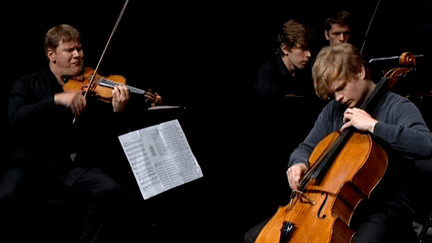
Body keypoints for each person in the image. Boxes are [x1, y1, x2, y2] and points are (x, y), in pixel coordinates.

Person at [1, 24, 161, 243]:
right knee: (8, 196)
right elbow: (16, 119)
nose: (78, 55)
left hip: (67, 166)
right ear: (51, 55)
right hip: (28, 164)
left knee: (110, 190)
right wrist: (55, 99)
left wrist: (118, 112)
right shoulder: (28, 83)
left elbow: (104, 139)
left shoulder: (91, 88)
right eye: (70, 50)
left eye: (80, 49)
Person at [285, 43, 432, 242]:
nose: (338, 98)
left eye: (341, 88)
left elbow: (425, 144)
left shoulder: (398, 106)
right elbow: (306, 147)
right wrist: (298, 162)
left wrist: (373, 125)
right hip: (342, 204)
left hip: (385, 207)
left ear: (360, 71)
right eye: (332, 94)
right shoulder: (333, 111)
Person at [252, 19, 316, 97]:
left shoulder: (306, 72)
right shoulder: (267, 73)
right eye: (303, 48)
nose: (309, 54)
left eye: (309, 49)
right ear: (285, 48)